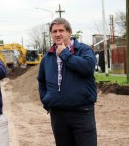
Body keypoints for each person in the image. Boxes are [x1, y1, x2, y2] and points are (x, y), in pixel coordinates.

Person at [37, 18, 97, 146]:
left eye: (61, 30)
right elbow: (41, 81)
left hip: (82, 112)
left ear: (69, 32)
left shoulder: (84, 50)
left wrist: (65, 53)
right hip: (58, 115)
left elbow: (87, 68)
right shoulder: (47, 57)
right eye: (54, 31)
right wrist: (46, 100)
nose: (57, 34)